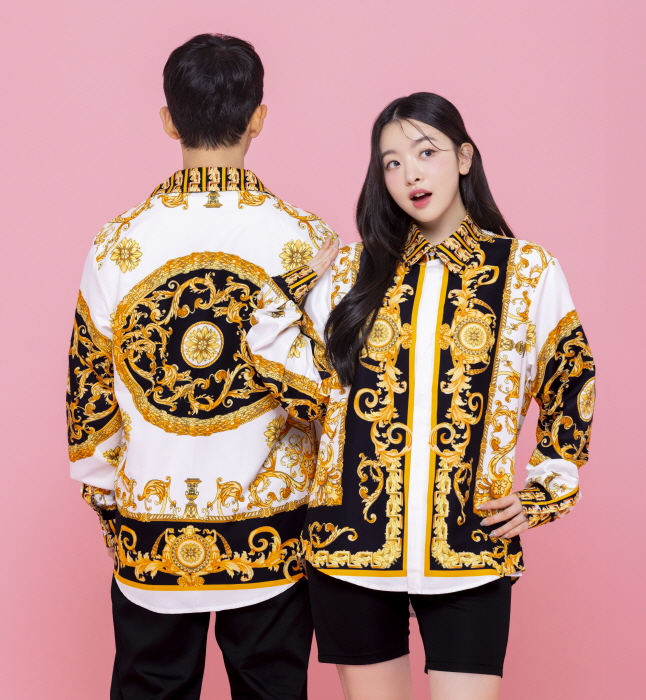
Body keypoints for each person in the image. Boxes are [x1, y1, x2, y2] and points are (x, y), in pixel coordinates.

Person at [246, 92, 595, 700]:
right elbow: (291, 380)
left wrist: (547, 488)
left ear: (464, 158)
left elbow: (571, 376)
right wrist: (297, 286)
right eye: (391, 162)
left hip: (470, 546)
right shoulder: (350, 273)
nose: (409, 173)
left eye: (425, 152)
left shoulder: (527, 271)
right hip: (350, 547)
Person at [66, 33, 338, 700]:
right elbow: (332, 391)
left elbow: (87, 391)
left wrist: (111, 503)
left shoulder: (116, 243)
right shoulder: (309, 241)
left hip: (150, 522)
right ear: (258, 118)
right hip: (275, 526)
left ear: (169, 119)